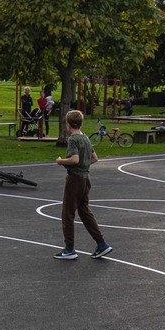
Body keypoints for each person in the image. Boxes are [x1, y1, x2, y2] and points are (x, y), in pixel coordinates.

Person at [52, 110, 112, 260]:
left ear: (69, 124)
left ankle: (69, 248)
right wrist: (84, 166)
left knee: (68, 214)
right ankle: (101, 244)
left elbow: (74, 159)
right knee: (85, 212)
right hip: (86, 178)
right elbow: (94, 158)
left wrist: (60, 161)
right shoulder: (85, 138)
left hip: (75, 179)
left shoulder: (73, 139)